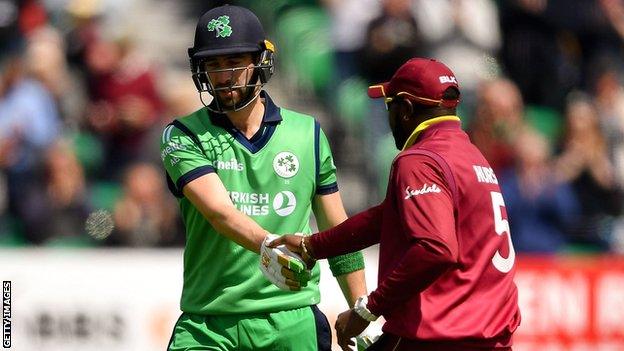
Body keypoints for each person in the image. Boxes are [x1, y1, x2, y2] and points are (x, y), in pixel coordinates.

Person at [269, 58, 521, 350]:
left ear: (406, 109)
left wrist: (367, 310)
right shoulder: (470, 155)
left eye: (389, 105)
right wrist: (313, 246)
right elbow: (388, 217)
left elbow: (436, 249)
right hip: (491, 337)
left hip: (438, 337)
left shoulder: (419, 160)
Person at [159, 4, 366, 351]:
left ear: (260, 61)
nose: (223, 76)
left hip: (292, 319)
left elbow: (337, 229)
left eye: (234, 62)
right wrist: (270, 246)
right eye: (213, 64)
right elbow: (219, 213)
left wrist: (361, 308)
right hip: (209, 324)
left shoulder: (308, 134)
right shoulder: (182, 135)